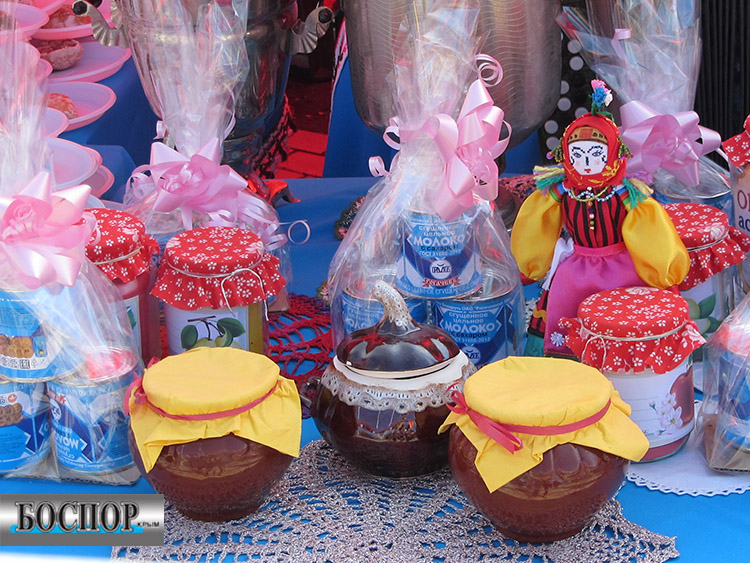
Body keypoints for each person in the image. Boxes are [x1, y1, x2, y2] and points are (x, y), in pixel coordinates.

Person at [510, 80, 689, 357]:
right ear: (565, 154)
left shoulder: (625, 193)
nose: (586, 162)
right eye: (577, 154)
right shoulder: (561, 191)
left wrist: (664, 270)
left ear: (615, 154)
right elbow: (537, 226)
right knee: (565, 318)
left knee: (627, 324)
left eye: (596, 155)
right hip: (576, 271)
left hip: (624, 272)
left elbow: (651, 232)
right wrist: (531, 262)